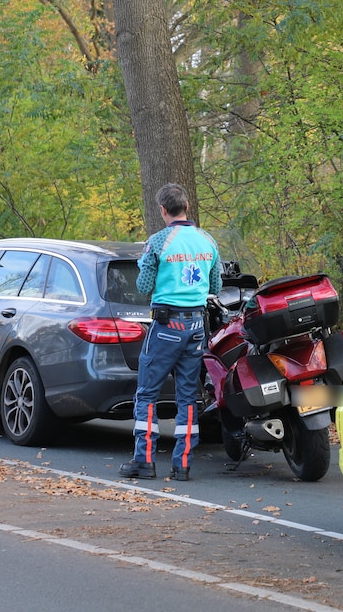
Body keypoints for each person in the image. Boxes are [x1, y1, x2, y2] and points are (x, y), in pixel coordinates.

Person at [120, 183, 221, 482]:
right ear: (187, 206)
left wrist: (146, 265)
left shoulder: (159, 241)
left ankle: (144, 461)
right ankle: (183, 464)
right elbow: (214, 287)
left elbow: (142, 286)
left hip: (167, 326)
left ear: (163, 210)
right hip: (195, 327)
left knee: (147, 393)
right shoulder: (208, 241)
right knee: (188, 395)